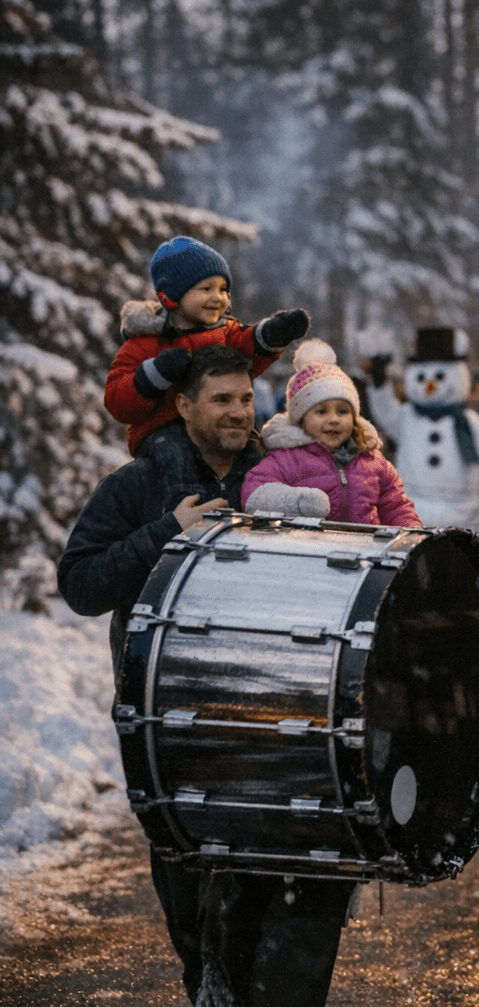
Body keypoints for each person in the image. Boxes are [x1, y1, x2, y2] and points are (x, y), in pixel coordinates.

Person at [57, 345, 355, 1006]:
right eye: (221, 399)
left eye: (246, 398)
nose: (238, 412)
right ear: (184, 406)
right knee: (196, 911)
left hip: (281, 713)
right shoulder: (137, 486)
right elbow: (79, 583)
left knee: (300, 883)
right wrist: (167, 530)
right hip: (176, 725)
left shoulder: (285, 471)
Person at [106, 235, 309, 457]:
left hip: (220, 427)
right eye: (206, 289)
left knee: (253, 449)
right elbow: (118, 402)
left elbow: (249, 348)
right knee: (174, 454)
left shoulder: (226, 334)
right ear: (172, 295)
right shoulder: (144, 343)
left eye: (223, 290)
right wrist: (156, 373)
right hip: (164, 435)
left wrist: (273, 334)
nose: (217, 297)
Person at [241, 338, 421, 526]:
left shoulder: (373, 461)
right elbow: (254, 493)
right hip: (310, 544)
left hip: (366, 544)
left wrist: (412, 534)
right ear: (301, 418)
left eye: (342, 411)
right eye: (321, 412)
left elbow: (396, 506)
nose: (334, 419)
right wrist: (299, 501)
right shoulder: (286, 459)